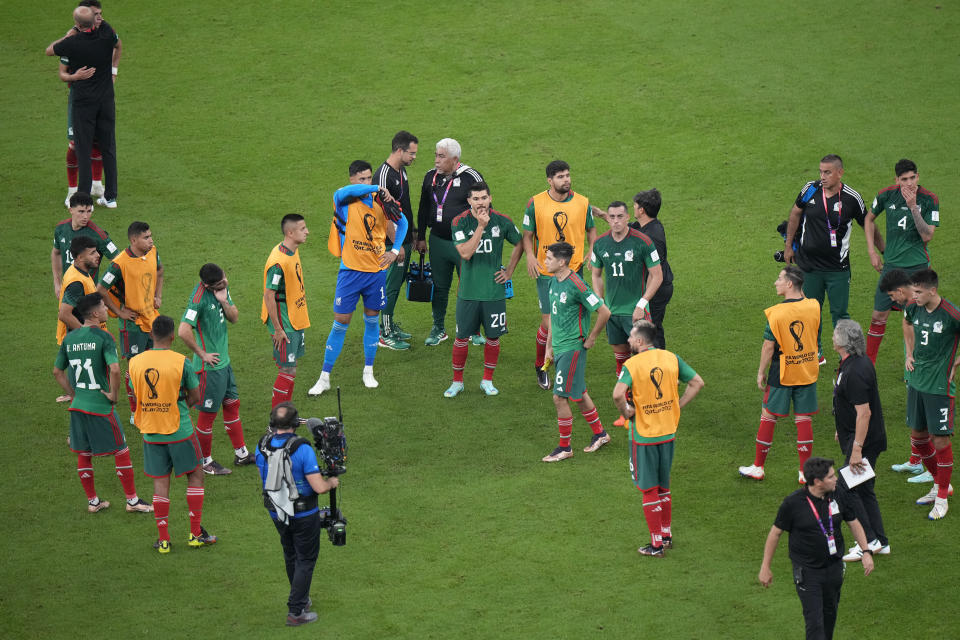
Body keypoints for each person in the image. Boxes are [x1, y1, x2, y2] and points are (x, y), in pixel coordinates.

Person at [307, 161, 406, 395]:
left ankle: (368, 371)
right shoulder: (343, 200)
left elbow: (402, 223)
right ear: (352, 179)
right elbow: (344, 192)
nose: (366, 183)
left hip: (375, 274)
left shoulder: (381, 205)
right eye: (361, 179)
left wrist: (394, 250)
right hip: (350, 272)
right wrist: (376, 189)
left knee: (372, 322)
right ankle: (324, 377)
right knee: (340, 323)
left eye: (369, 178)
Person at [53, 292, 152, 514]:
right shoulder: (104, 338)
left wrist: (73, 394)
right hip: (100, 406)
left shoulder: (69, 338)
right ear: (96, 313)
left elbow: (57, 371)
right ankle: (133, 501)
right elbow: (115, 369)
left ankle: (93, 502)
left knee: (84, 452)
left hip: (78, 406)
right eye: (104, 306)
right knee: (122, 450)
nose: (108, 309)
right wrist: (114, 395)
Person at [612, 320, 704, 557]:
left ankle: (656, 545)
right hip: (668, 431)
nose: (629, 340)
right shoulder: (671, 358)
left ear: (640, 341)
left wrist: (626, 413)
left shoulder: (632, 365)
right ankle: (666, 534)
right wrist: (678, 406)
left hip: (644, 435)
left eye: (631, 337)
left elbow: (617, 394)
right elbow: (697, 383)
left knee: (648, 489)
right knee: (664, 486)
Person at [758, 457, 875, 640]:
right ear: (817, 482)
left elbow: (853, 522)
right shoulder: (793, 504)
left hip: (834, 568)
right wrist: (765, 567)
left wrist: (866, 551)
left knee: (829, 618)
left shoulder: (838, 494)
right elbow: (775, 533)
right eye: (831, 476)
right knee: (815, 624)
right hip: (808, 571)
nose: (836, 478)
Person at [128, 315, 216, 553]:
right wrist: (179, 406)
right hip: (179, 430)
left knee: (160, 483)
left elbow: (135, 394)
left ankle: (164, 540)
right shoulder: (181, 362)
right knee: (196, 475)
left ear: (151, 335)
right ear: (170, 336)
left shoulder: (135, 362)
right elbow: (196, 396)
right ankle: (195, 533)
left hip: (150, 432)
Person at [256, 402, 339, 627]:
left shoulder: (261, 445)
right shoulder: (302, 449)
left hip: (276, 512)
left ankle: (301, 598)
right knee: (306, 558)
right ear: (295, 424)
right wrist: (331, 481)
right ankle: (296, 611)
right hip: (303, 514)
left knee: (290, 553)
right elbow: (319, 487)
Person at [782, 155, 870, 357]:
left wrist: (878, 251)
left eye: (827, 172)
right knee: (811, 312)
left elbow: (867, 224)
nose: (822, 176)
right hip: (809, 266)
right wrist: (789, 246)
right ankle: (816, 352)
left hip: (837, 269)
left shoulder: (851, 198)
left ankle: (847, 354)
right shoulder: (811, 189)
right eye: (821, 171)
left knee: (840, 314)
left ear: (840, 173)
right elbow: (795, 213)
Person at [739, 266, 821, 483]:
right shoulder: (814, 306)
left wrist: (760, 372)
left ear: (790, 284)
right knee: (803, 418)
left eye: (779, 279)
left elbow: (768, 347)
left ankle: (758, 467)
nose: (776, 282)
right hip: (807, 368)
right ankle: (805, 472)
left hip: (782, 371)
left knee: (768, 415)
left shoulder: (776, 313)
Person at [444, 182, 524, 397]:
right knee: (461, 338)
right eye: (476, 199)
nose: (481, 202)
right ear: (469, 200)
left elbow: (521, 243)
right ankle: (457, 382)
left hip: (494, 293)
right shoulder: (459, 222)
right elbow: (466, 254)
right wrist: (480, 226)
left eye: (484, 198)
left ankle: (487, 380)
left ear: (490, 198)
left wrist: (509, 270)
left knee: (493, 338)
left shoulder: (503, 221)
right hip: (468, 292)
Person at [523, 160, 597, 389]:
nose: (566, 180)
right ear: (549, 180)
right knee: (549, 323)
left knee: (568, 321)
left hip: (574, 270)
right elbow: (527, 235)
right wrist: (530, 256)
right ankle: (541, 365)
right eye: (560, 176)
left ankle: (566, 362)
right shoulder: (535, 203)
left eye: (567, 175)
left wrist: (593, 250)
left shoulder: (582, 202)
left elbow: (591, 229)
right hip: (547, 272)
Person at [178, 263, 255, 476]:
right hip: (209, 369)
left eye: (225, 278)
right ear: (206, 285)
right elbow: (183, 331)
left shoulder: (221, 289)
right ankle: (205, 461)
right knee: (207, 416)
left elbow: (234, 317)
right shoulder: (198, 300)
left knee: (232, 405)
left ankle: (241, 454)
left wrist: (224, 300)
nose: (225, 283)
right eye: (220, 283)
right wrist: (202, 354)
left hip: (224, 364)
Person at [591, 200, 663, 425]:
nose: (615, 221)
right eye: (611, 217)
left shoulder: (643, 242)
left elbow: (657, 275)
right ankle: (628, 407)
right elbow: (595, 275)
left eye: (620, 216)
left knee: (643, 361)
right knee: (621, 359)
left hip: (636, 313)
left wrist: (642, 304)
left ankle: (653, 405)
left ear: (626, 217)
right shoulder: (600, 244)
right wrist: (601, 303)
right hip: (613, 314)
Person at [540, 242, 611, 462]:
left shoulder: (577, 285)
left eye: (549, 258)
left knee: (559, 398)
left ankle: (564, 448)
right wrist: (548, 347)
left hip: (573, 348)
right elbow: (553, 318)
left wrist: (591, 338)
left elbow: (604, 312)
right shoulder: (553, 282)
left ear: (562, 262)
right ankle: (600, 434)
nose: (545, 261)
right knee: (579, 395)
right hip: (559, 347)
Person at [864, 159, 940, 364]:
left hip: (918, 269)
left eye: (912, 178)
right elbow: (869, 219)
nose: (909, 183)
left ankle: (915, 365)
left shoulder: (929, 199)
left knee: (917, 319)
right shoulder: (886, 194)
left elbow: (927, 236)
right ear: (896, 180)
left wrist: (913, 207)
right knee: (878, 316)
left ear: (918, 176)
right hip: (891, 268)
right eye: (904, 179)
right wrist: (872, 251)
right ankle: (867, 366)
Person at [46, 5, 120, 208]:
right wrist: (113, 70)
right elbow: (118, 43)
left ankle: (86, 199)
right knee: (108, 147)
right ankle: (111, 196)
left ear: (78, 24)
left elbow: (49, 50)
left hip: (83, 103)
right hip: (106, 101)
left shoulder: (72, 42)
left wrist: (74, 76)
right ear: (94, 21)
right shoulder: (106, 36)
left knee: (83, 148)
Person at [902, 269, 960, 519]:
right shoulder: (914, 309)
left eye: (918, 291)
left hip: (939, 388)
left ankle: (942, 498)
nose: (913, 296)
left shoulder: (950, 314)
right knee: (918, 438)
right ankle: (938, 484)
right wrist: (908, 352)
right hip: (917, 383)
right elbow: (906, 323)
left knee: (940, 441)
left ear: (932, 290)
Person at [415, 138, 484, 346]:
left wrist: (480, 237)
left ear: (455, 159)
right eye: (436, 155)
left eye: (441, 156)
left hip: (464, 243)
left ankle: (471, 328)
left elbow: (485, 207)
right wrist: (420, 237)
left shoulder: (471, 177)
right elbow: (423, 207)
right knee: (439, 286)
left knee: (470, 285)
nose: (436, 160)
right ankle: (438, 328)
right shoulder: (430, 177)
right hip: (438, 242)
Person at [830, 320, 890, 561]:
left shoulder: (855, 371)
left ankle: (869, 540)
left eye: (835, 335)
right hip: (861, 436)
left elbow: (864, 413)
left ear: (842, 341)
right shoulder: (856, 363)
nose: (832, 338)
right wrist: (841, 427)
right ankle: (881, 542)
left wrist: (856, 449)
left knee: (844, 487)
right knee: (864, 488)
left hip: (864, 441)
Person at [97, 220, 163, 417]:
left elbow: (159, 271)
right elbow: (100, 290)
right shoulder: (119, 264)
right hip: (132, 324)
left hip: (151, 319)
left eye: (150, 236)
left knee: (153, 363)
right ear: (134, 240)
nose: (151, 240)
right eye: (146, 237)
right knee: (134, 368)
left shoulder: (153, 252)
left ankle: (151, 402)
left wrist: (158, 295)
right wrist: (119, 313)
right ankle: (136, 412)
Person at [877, 270, 928, 479]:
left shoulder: (925, 304)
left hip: (928, 371)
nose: (891, 301)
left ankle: (933, 470)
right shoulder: (909, 306)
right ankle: (916, 461)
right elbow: (906, 324)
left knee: (927, 419)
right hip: (915, 367)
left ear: (899, 290)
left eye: (891, 296)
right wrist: (909, 353)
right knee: (917, 415)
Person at [375, 131, 419, 349]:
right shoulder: (383, 175)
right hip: (391, 242)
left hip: (404, 238)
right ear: (399, 150)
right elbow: (382, 213)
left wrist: (416, 235)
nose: (414, 157)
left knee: (397, 282)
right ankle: (384, 333)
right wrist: (397, 245)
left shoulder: (401, 171)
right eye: (411, 153)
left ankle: (389, 323)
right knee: (390, 286)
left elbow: (405, 206)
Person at [261, 213, 310, 407]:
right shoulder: (278, 263)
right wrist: (278, 329)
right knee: (286, 370)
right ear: (290, 233)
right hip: (284, 323)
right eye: (302, 229)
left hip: (295, 318)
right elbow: (268, 295)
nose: (307, 232)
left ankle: (285, 414)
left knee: (292, 368)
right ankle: (277, 422)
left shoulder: (292, 249)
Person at [52, 191, 118, 298]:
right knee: (65, 314)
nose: (86, 216)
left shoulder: (97, 234)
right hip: (67, 290)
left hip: (88, 294)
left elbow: (118, 261)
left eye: (89, 211)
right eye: (81, 211)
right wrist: (57, 283)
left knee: (68, 315)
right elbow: (56, 253)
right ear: (71, 210)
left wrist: (103, 285)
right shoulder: (61, 229)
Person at [56, 235, 105, 344]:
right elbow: (64, 314)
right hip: (80, 342)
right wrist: (87, 335)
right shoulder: (76, 282)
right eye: (92, 253)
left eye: (96, 251)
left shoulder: (79, 272)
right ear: (80, 258)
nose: (98, 255)